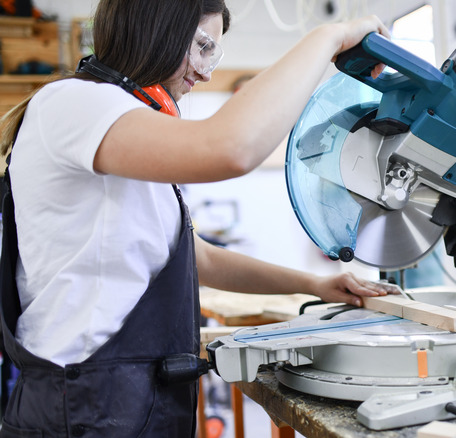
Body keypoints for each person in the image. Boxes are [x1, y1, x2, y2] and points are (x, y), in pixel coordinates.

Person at [0, 0, 391, 436]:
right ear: (155, 31)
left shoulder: (123, 126)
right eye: (203, 46)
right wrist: (329, 37)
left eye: (214, 54)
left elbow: (196, 257)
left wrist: (315, 285)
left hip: (125, 397)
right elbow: (230, 149)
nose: (206, 72)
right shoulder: (76, 103)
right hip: (83, 404)